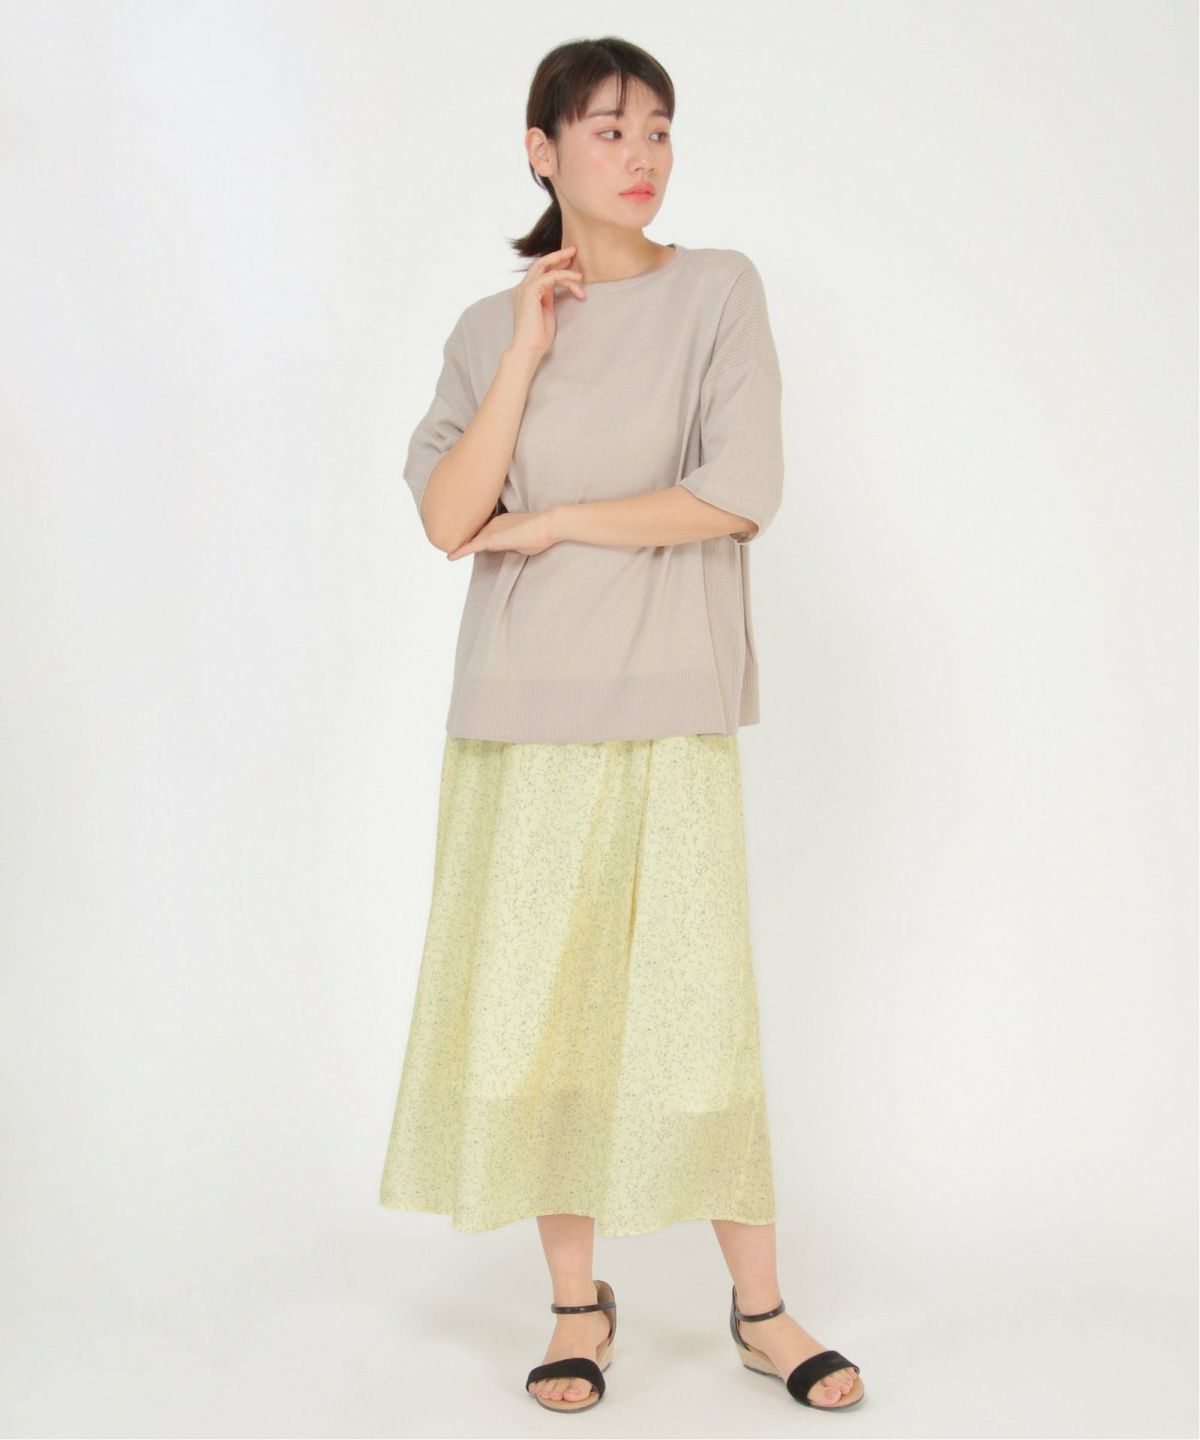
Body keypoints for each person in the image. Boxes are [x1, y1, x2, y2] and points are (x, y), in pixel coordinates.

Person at [378, 35, 866, 1416]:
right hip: (523, 712)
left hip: (669, 704)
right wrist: (528, 351)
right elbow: (448, 518)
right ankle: (576, 1307)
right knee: (543, 1012)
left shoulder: (718, 291)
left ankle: (760, 1309)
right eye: (607, 130)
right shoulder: (488, 329)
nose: (641, 155)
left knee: (698, 1016)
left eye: (657, 129)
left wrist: (561, 522)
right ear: (542, 152)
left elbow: (739, 489)